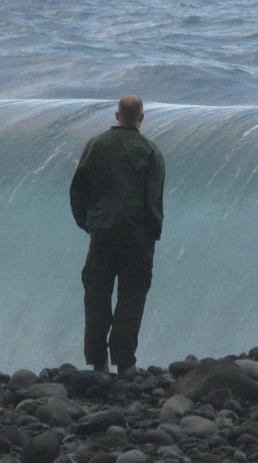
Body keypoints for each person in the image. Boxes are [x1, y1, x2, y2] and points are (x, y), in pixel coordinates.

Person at [69, 95, 165, 373]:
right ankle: (124, 362)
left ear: (116, 115)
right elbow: (153, 199)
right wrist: (153, 233)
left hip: (102, 234)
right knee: (131, 297)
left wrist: (87, 223)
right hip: (137, 237)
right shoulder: (150, 150)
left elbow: (78, 189)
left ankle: (97, 361)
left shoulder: (95, 145)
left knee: (97, 295)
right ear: (142, 118)